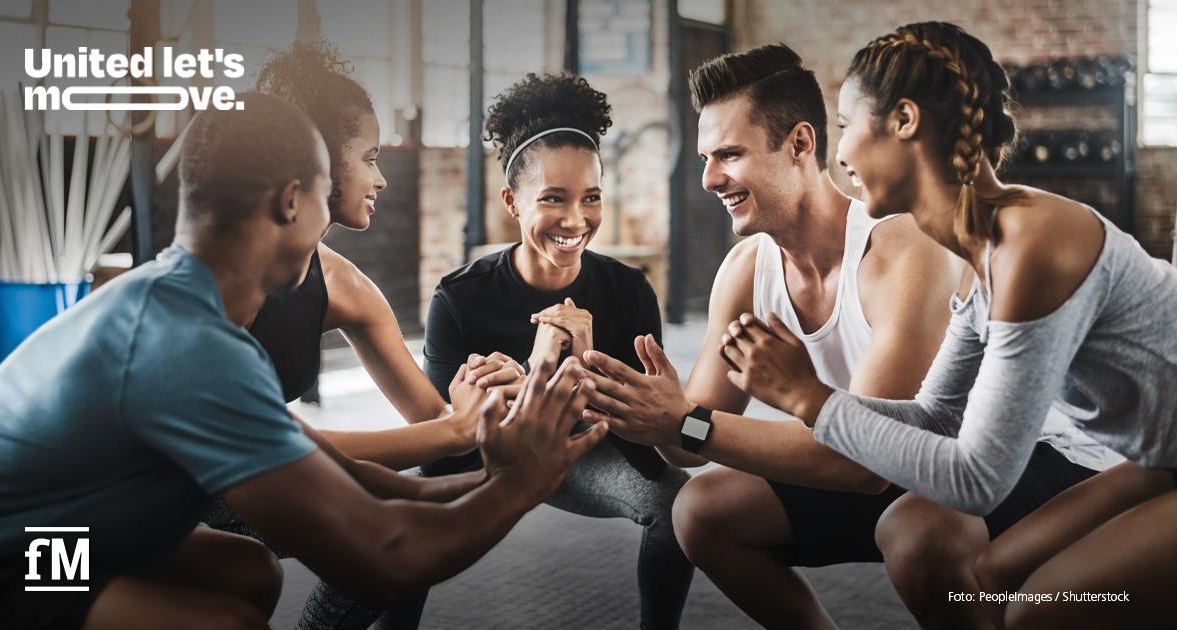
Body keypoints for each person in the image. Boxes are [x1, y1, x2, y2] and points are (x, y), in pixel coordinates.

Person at [0, 93, 606, 630]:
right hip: (17, 557)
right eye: (327, 191)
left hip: (63, 534)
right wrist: (524, 483)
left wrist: (492, 478)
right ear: (290, 203)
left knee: (245, 569)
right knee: (225, 623)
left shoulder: (188, 307)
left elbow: (347, 473)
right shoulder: (185, 343)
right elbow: (383, 553)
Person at [578, 44, 1117, 629]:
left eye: (729, 155)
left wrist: (684, 421)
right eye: (707, 158)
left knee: (918, 533)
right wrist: (641, 405)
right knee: (702, 511)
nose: (709, 179)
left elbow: (865, 463)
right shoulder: (744, 271)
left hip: (1026, 459)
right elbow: (687, 441)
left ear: (801, 146)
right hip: (896, 470)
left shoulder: (900, 251)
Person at [713, 22, 1175, 629]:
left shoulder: (1031, 244)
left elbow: (978, 479)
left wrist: (811, 397)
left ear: (903, 121)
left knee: (1038, 613)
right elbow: (936, 416)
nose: (840, 152)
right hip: (1158, 459)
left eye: (847, 127)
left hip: (1154, 460)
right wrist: (805, 403)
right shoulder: (981, 256)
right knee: (979, 579)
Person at [205, 42, 523, 630]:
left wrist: (491, 399)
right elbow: (275, 446)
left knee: (384, 535)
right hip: (130, 499)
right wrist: (461, 439)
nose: (381, 177)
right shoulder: (219, 279)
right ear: (316, 161)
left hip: (231, 476)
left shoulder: (346, 287)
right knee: (268, 567)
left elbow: (434, 425)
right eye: (369, 157)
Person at [418, 73, 693, 630]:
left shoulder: (628, 292)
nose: (576, 220)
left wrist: (580, 369)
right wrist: (536, 377)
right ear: (511, 203)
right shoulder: (458, 297)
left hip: (586, 453)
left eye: (590, 197)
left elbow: (643, 426)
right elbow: (443, 426)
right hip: (488, 451)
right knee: (398, 520)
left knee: (676, 505)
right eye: (552, 198)